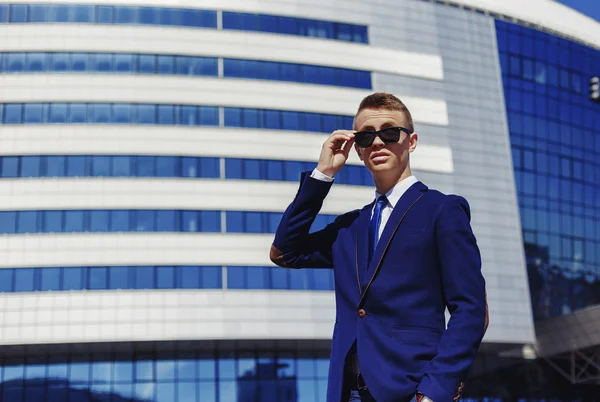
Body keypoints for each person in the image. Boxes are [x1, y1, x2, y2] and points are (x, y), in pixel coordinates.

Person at [270, 92, 489, 402]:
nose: (377, 142)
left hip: (412, 389)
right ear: (358, 149)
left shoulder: (442, 210)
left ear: (411, 141)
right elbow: (284, 251)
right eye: (365, 136)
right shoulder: (350, 227)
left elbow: (472, 310)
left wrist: (434, 392)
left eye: (389, 132)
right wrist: (323, 175)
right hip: (348, 393)